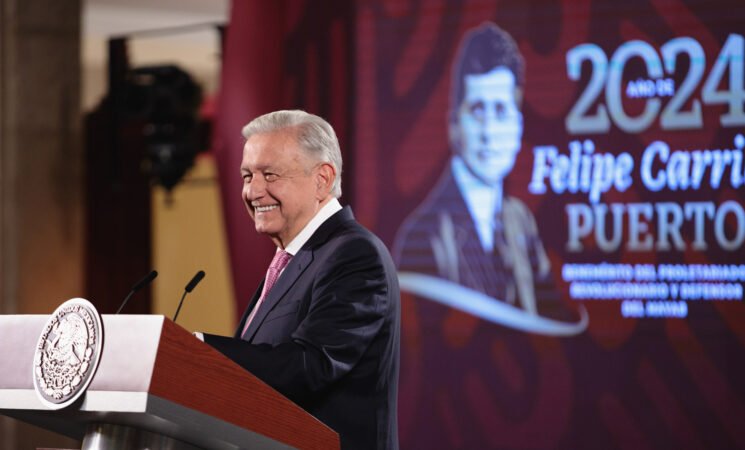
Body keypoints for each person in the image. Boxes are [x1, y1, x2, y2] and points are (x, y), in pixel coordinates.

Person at [201, 110, 400, 450]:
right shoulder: (291, 259)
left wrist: (200, 352)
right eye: (247, 176)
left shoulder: (354, 254)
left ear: (322, 179)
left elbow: (312, 365)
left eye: (270, 174)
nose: (253, 191)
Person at [392, 22, 559, 321]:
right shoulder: (424, 239)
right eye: (478, 111)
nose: (489, 132)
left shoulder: (521, 222)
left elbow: (552, 324)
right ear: (454, 124)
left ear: (518, 124)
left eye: (501, 111)